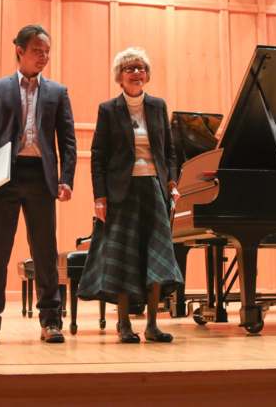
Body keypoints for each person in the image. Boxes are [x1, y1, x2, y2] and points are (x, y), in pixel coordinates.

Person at [0, 24, 76, 345]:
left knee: (45, 252)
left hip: (41, 177)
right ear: (19, 50)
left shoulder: (58, 92)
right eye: (37, 51)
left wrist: (66, 179)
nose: (43, 57)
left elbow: (68, 142)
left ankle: (51, 321)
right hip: (6, 177)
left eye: (47, 52)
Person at [78, 47, 184, 343]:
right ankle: (124, 324)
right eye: (130, 68)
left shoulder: (158, 106)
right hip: (121, 192)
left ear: (147, 74)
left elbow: (169, 151)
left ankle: (152, 324)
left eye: (140, 68)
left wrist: (172, 181)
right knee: (122, 256)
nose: (137, 72)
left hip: (153, 188)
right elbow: (98, 155)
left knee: (157, 255)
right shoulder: (108, 109)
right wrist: (99, 197)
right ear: (119, 77)